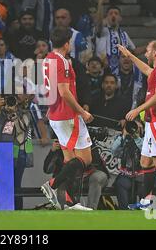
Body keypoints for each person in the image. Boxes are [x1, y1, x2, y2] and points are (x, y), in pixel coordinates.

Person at [118, 41, 156, 211]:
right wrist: (129, 55)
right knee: (145, 162)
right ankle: (146, 202)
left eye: (148, 51)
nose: (146, 53)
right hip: (153, 122)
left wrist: (137, 110)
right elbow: (146, 70)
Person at [40, 27, 94, 211]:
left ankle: (71, 202)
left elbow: (50, 89)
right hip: (68, 115)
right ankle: (52, 184)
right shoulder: (62, 62)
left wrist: (50, 108)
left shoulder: (47, 59)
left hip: (56, 114)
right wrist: (82, 112)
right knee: (85, 159)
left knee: (69, 159)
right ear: (66, 43)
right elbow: (63, 92)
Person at [0, 94, 35, 210]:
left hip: (18, 154)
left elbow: (22, 129)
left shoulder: (24, 114)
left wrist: (14, 115)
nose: (11, 104)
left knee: (15, 184)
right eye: (9, 102)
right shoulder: (1, 114)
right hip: (1, 152)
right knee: (2, 183)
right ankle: (3, 207)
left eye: (13, 102)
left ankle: (17, 209)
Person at [112, 121, 145, 210]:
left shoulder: (145, 139)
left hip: (142, 175)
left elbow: (145, 151)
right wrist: (123, 135)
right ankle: (124, 211)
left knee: (144, 187)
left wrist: (137, 137)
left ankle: (143, 212)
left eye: (137, 127)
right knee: (120, 184)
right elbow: (114, 151)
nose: (134, 129)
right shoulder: (123, 140)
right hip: (127, 175)